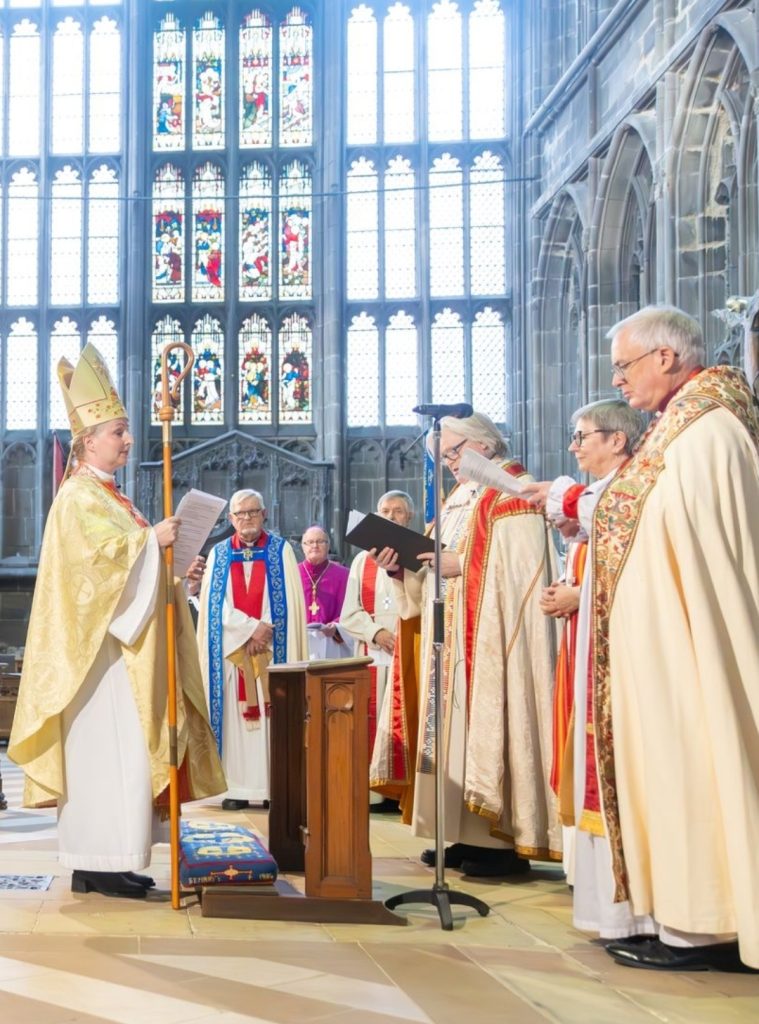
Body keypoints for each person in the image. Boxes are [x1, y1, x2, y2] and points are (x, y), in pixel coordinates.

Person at [562, 306, 759, 971]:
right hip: (659, 651)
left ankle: (709, 925)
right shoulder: (676, 428)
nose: (617, 380)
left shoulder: (708, 432)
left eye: (623, 365)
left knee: (698, 768)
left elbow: (707, 549)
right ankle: (675, 917)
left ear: (666, 359)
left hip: (690, 650)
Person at [8, 343, 225, 899]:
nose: (128, 441)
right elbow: (90, 570)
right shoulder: (78, 497)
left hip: (119, 656)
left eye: (127, 431)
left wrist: (178, 573)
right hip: (97, 664)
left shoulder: (111, 498)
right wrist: (152, 541)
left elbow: (128, 561)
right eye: (118, 432)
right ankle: (95, 863)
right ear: (87, 440)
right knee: (105, 758)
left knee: (125, 758)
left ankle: (115, 860)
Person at [374, 412, 561, 877]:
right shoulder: (458, 500)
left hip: (490, 642)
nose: (450, 464)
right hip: (448, 641)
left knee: (484, 728)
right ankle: (461, 831)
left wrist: (462, 564)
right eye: (444, 458)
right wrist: (401, 568)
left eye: (455, 453)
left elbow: (518, 577)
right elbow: (429, 571)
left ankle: (500, 840)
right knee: (450, 737)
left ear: (486, 445)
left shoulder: (515, 493)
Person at [525, 400, 645, 900]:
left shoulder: (625, 492)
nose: (574, 446)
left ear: (616, 440)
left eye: (582, 436)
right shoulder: (599, 498)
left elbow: (636, 569)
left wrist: (580, 594)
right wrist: (565, 586)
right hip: (582, 642)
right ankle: (588, 876)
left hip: (615, 652)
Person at [195, 489, 307, 811]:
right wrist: (248, 630)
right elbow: (215, 606)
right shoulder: (218, 553)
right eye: (240, 514)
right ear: (230, 519)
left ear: (264, 513)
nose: (247, 519)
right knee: (235, 721)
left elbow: (287, 600)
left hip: (271, 651)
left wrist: (264, 630)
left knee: (273, 717)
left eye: (253, 512)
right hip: (233, 655)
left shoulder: (281, 551)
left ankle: (274, 787)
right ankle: (237, 788)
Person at [340, 491, 414, 812]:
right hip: (372, 656)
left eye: (397, 511)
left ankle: (400, 793)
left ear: (408, 517)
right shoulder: (362, 560)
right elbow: (349, 613)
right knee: (371, 722)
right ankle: (373, 791)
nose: (391, 516)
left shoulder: (417, 552)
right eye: (385, 510)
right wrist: (376, 633)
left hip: (407, 653)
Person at [298, 525, 350, 660]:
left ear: (328, 546)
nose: (315, 546)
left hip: (332, 643)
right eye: (309, 542)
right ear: (302, 547)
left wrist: (337, 627)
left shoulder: (345, 575)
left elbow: (352, 609)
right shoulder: (291, 573)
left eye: (320, 541)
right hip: (300, 641)